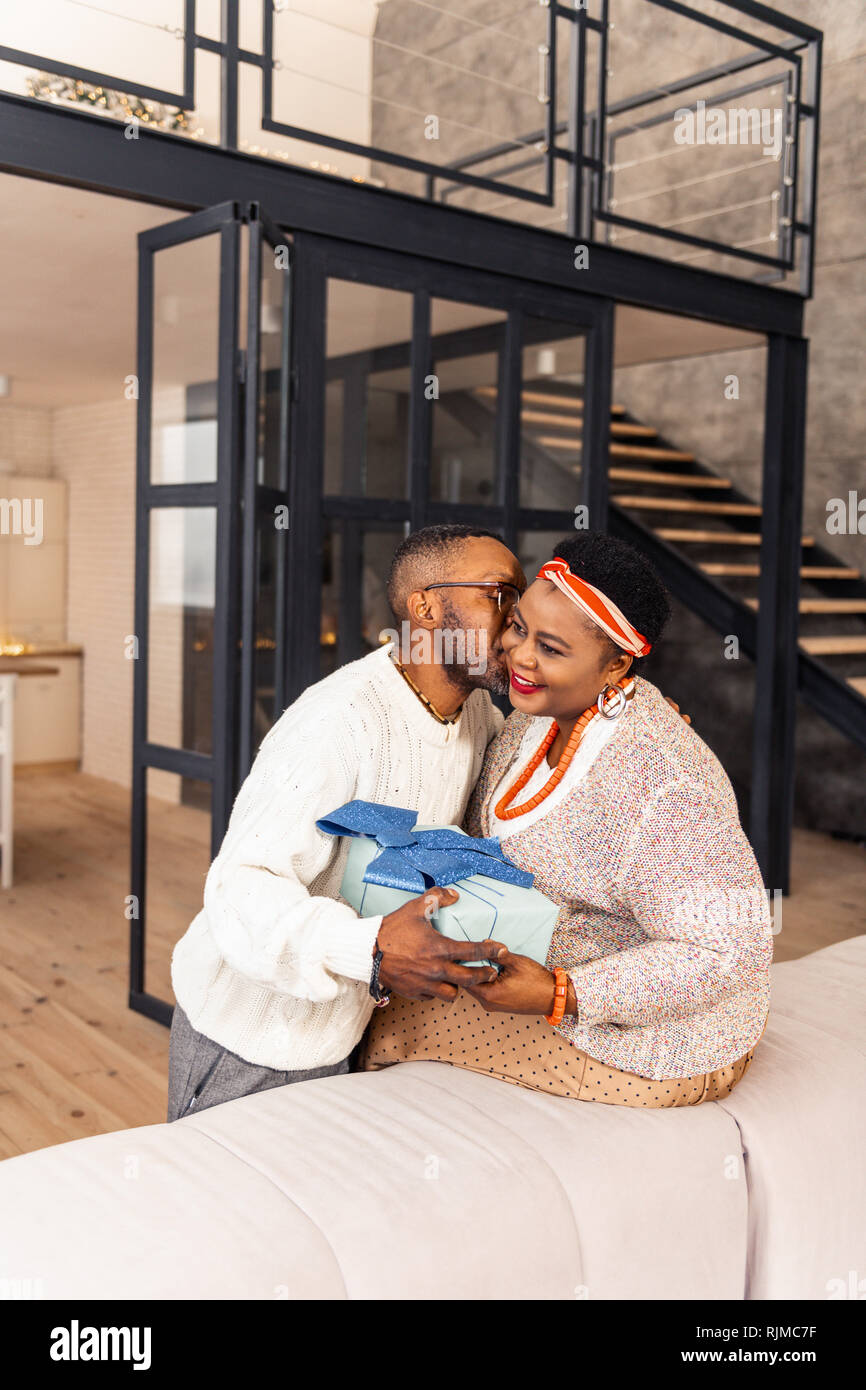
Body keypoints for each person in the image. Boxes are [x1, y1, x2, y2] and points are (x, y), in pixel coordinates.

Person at [360, 532, 772, 1107]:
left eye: (551, 649)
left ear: (617, 665)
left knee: (390, 1028)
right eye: (520, 627)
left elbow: (728, 951)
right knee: (380, 985)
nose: (519, 655)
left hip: (661, 1040)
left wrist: (562, 992)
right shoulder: (534, 718)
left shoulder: (667, 784)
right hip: (541, 973)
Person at [166, 524, 523, 1120]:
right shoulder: (337, 721)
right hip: (248, 1037)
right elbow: (239, 887)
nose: (517, 618)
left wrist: (621, 722)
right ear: (427, 607)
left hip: (349, 1029)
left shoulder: (479, 713)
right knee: (221, 1212)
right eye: (498, 594)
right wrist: (372, 946)